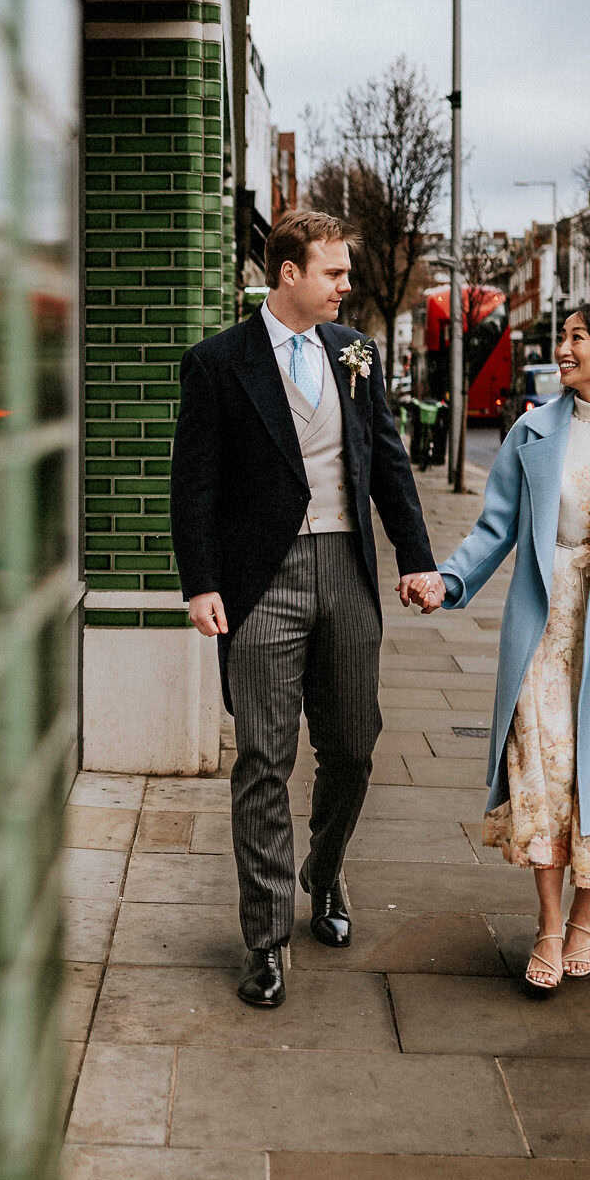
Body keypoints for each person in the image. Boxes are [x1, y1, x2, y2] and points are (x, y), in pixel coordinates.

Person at [170, 209, 439, 1008]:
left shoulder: (356, 353)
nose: (346, 286)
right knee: (263, 759)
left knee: (354, 745)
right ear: (288, 273)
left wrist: (417, 559)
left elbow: (386, 459)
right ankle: (266, 938)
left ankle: (323, 872)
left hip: (347, 571)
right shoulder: (218, 363)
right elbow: (195, 483)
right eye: (334, 272)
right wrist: (201, 582)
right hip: (261, 581)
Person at [422, 302, 590, 994]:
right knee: (541, 772)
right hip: (543, 625)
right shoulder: (532, 431)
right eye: (562, 336)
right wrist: (447, 581)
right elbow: (494, 527)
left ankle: (585, 918)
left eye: (576, 337)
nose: (562, 348)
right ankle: (545, 922)